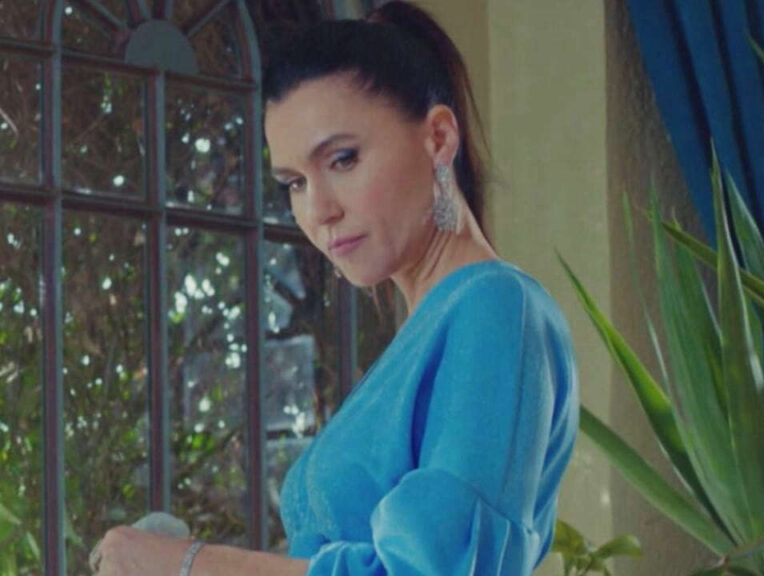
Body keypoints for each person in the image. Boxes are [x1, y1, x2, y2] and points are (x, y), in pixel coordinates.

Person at [89, 2, 580, 575]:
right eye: (295, 183)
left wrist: (191, 564)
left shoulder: (494, 308)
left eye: (343, 159)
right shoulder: (424, 335)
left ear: (438, 137)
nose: (318, 209)